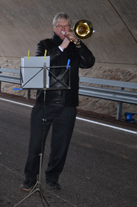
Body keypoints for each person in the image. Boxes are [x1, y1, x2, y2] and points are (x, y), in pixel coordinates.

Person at [20, 12, 95, 191]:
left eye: (67, 26)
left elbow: (89, 62)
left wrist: (78, 43)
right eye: (60, 26)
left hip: (68, 105)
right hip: (45, 102)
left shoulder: (76, 47)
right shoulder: (44, 44)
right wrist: (62, 46)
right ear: (54, 28)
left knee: (60, 147)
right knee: (36, 144)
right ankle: (30, 178)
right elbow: (41, 63)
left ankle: (52, 177)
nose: (64, 29)